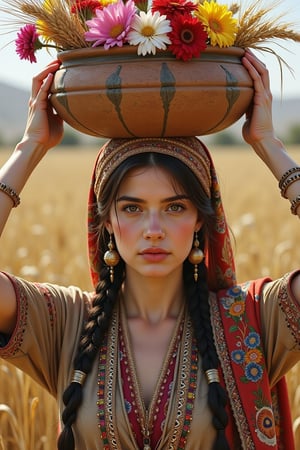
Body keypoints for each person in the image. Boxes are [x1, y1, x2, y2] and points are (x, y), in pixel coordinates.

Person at [0, 49, 300, 450]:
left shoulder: (254, 320)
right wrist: (28, 149)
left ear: (200, 220)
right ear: (105, 221)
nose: (153, 230)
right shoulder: (64, 323)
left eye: (175, 207)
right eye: (132, 208)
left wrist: (270, 145)